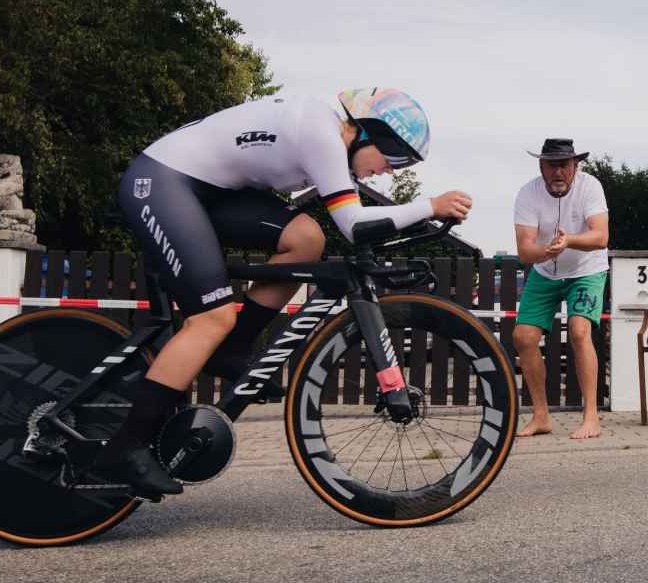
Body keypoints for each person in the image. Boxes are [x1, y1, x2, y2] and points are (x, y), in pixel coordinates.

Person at [99, 88, 472, 496]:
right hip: (163, 181)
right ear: (368, 134)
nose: (390, 172)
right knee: (212, 318)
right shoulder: (322, 136)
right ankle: (126, 446)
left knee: (306, 240)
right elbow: (355, 225)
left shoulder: (329, 140)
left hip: (212, 191)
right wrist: (430, 206)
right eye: (394, 159)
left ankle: (232, 350)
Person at [512, 138, 609, 439]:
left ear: (575, 165)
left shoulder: (590, 186)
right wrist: (548, 251)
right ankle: (541, 416)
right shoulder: (527, 193)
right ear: (541, 166)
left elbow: (601, 236)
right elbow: (525, 250)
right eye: (551, 165)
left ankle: (591, 417)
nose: (557, 172)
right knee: (523, 337)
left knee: (579, 332)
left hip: (586, 270)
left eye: (563, 165)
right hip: (545, 271)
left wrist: (569, 242)